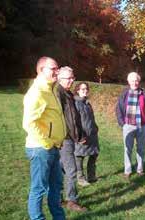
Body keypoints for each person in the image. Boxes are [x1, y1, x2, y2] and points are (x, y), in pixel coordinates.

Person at [22, 56, 67, 220]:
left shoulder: (51, 88)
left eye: (57, 68)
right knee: (39, 188)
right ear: (41, 70)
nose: (57, 71)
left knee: (56, 186)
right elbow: (28, 123)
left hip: (53, 147)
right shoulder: (37, 92)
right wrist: (47, 142)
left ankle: (59, 217)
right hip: (41, 148)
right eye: (53, 69)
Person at [56, 66, 87, 212]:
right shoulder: (58, 94)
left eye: (72, 77)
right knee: (71, 170)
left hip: (70, 138)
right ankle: (71, 200)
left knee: (61, 168)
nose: (72, 80)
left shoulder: (68, 94)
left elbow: (74, 118)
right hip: (64, 138)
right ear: (59, 78)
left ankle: (57, 197)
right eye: (69, 78)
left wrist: (79, 135)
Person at [115, 72, 145, 179]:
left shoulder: (144, 94)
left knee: (141, 149)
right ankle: (127, 171)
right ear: (128, 82)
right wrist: (122, 124)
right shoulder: (124, 94)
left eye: (136, 80)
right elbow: (118, 109)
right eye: (132, 80)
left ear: (139, 81)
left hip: (143, 126)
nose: (135, 82)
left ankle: (139, 169)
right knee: (128, 149)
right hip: (128, 126)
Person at [73, 82, 99, 186]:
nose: (85, 91)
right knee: (79, 157)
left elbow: (90, 118)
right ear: (77, 90)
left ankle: (91, 176)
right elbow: (75, 121)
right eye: (82, 89)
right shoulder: (75, 103)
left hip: (92, 134)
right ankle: (80, 179)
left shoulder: (87, 103)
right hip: (82, 135)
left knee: (94, 154)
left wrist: (95, 127)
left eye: (86, 89)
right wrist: (80, 135)